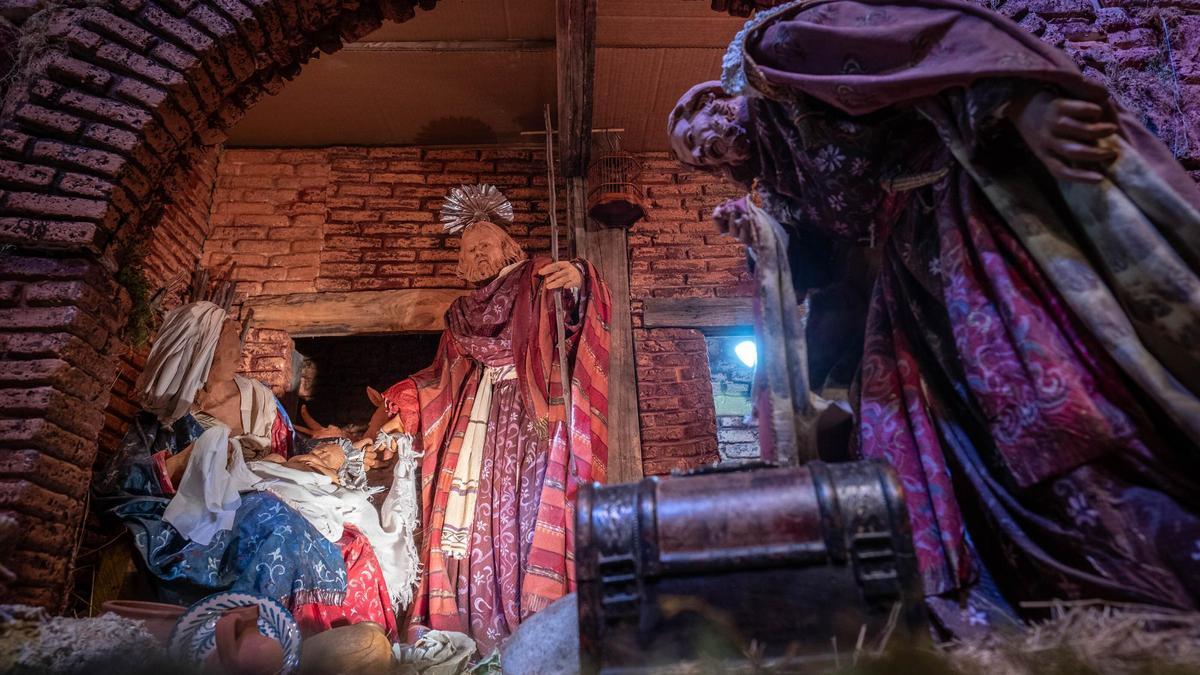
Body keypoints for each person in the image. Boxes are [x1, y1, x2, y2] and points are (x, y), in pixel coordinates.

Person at [668, 0, 1200, 636]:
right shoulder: (778, 175)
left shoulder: (777, 54)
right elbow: (820, 253)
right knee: (922, 440)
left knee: (1049, 395)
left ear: (710, 96)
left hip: (973, 218)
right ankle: (1043, 605)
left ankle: (1147, 569)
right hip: (908, 272)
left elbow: (926, 42)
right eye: (697, 160)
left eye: (694, 133)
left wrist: (1017, 101)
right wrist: (761, 231)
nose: (704, 150)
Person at [364, 185, 612, 652]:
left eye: (485, 245)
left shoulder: (538, 277)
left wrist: (579, 281)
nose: (477, 254)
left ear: (508, 247)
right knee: (474, 517)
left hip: (532, 413)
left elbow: (573, 325)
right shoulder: (460, 314)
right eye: (469, 249)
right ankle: (477, 627)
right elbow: (439, 377)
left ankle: (539, 630)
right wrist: (401, 407)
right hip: (475, 420)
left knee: (529, 511)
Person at [95, 301, 401, 637]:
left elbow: (294, 455)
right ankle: (263, 639)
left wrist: (345, 450)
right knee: (277, 523)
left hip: (280, 491)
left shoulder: (258, 399)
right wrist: (195, 458)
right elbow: (126, 479)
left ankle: (350, 646)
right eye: (229, 337)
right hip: (217, 510)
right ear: (205, 348)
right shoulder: (170, 415)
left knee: (354, 539)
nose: (239, 345)